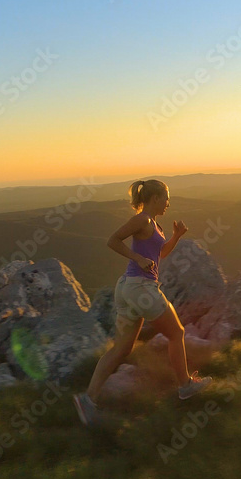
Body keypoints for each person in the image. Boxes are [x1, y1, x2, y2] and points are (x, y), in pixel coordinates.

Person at [73, 179, 212, 427]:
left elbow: (161, 254)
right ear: (155, 198)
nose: (169, 202)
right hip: (141, 288)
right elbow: (113, 240)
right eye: (166, 197)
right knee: (177, 332)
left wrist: (177, 236)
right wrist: (136, 257)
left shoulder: (154, 225)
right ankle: (185, 386)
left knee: (121, 349)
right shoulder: (143, 220)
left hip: (128, 289)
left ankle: (87, 400)